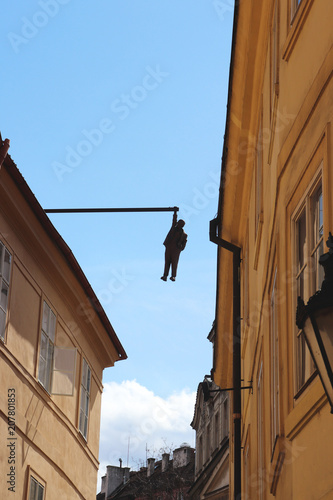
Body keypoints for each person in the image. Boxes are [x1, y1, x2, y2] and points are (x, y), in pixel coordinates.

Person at [161, 212, 187, 282]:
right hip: (169, 247)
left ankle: (173, 276)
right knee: (167, 262)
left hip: (176, 250)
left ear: (182, 226)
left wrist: (180, 247)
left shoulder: (184, 235)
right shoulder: (173, 228)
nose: (178, 224)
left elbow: (184, 245)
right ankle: (165, 275)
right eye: (178, 223)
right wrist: (175, 212)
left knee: (174, 263)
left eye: (180, 224)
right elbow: (174, 220)